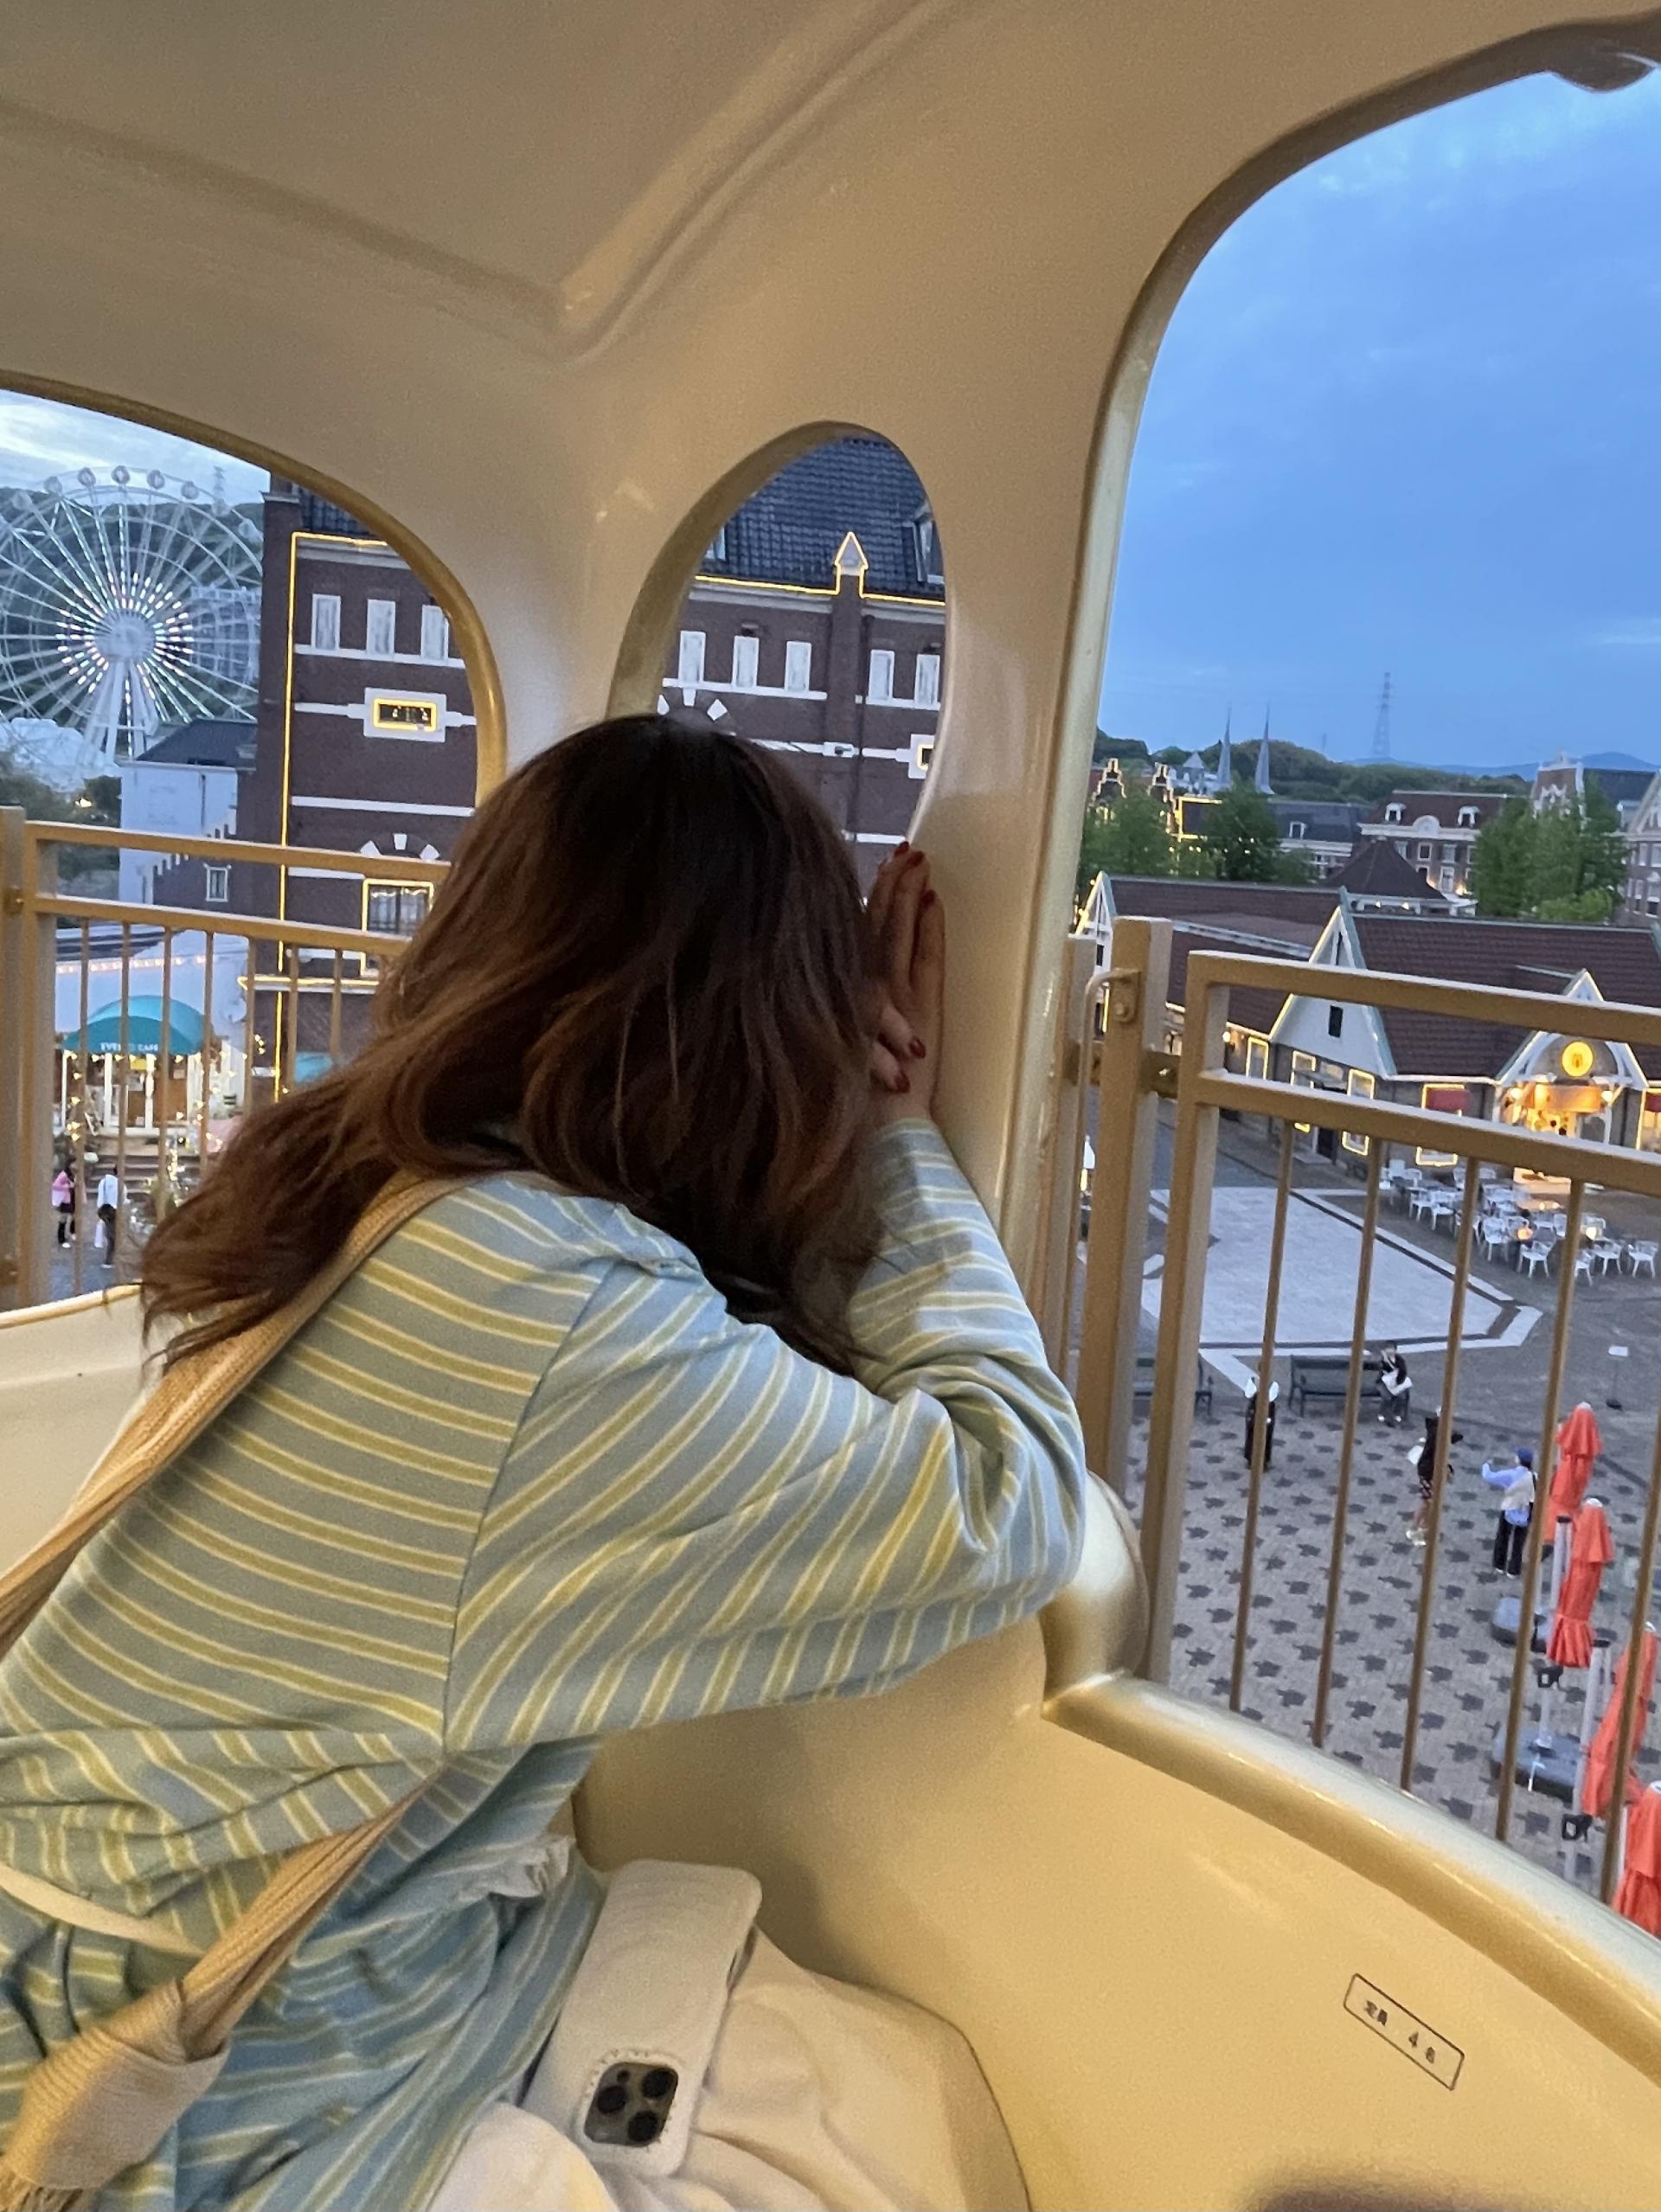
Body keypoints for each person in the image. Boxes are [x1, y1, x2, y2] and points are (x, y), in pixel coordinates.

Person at [0, 718, 1087, 2211]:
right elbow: (1009, 1500)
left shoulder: (400, 1186)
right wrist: (898, 1146)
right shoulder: (539, 1304)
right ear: (752, 1027)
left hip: (118, 1949)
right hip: (189, 2075)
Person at [1407, 1408, 1465, 1546]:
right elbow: (1444, 1446)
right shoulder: (1438, 1433)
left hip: (1428, 1469)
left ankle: (1417, 1528)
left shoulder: (1436, 1429)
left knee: (1427, 1502)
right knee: (1429, 1503)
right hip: (1429, 1471)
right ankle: (1419, 1530)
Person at [1482, 1446, 1536, 1578]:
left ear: (1519, 1460)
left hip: (1509, 1510)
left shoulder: (1510, 1475)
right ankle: (1514, 1570)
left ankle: (1499, 1565)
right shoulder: (1534, 1477)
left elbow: (1489, 1476)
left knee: (1503, 1537)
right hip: (1525, 1513)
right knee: (1519, 1543)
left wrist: (1486, 1465)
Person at [1244, 1370, 1279, 1470]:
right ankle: (1251, 1459)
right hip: (1254, 1411)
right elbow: (1248, 1394)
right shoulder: (1253, 1381)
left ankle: (1264, 1461)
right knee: (1251, 1435)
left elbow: (1271, 1398)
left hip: (1267, 1411)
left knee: (1266, 1436)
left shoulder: (1273, 1384)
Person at [1376, 1344, 1410, 1427]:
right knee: (1387, 1397)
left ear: (1395, 1350)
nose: (1389, 1351)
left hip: (1397, 1382)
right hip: (1383, 1382)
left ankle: (1397, 1413)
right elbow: (1382, 1370)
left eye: (1391, 1349)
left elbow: (1403, 1372)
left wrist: (1398, 1382)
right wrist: (1385, 1362)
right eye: (1387, 1349)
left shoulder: (1400, 1360)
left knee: (1401, 1397)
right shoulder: (1383, 1359)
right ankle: (1382, 1413)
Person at [93, 1164, 120, 1265]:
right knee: (114, 1237)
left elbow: (100, 1196)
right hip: (114, 1212)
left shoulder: (104, 1182)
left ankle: (109, 1259)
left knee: (111, 1236)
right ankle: (111, 1260)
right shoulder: (120, 1184)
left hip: (105, 1211)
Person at [49, 1165, 74, 1247]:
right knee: (63, 1219)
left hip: (68, 1199)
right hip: (64, 1200)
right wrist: (68, 1186)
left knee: (67, 1218)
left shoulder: (71, 1174)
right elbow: (55, 1185)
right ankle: (61, 1238)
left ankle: (64, 1236)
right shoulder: (64, 1175)